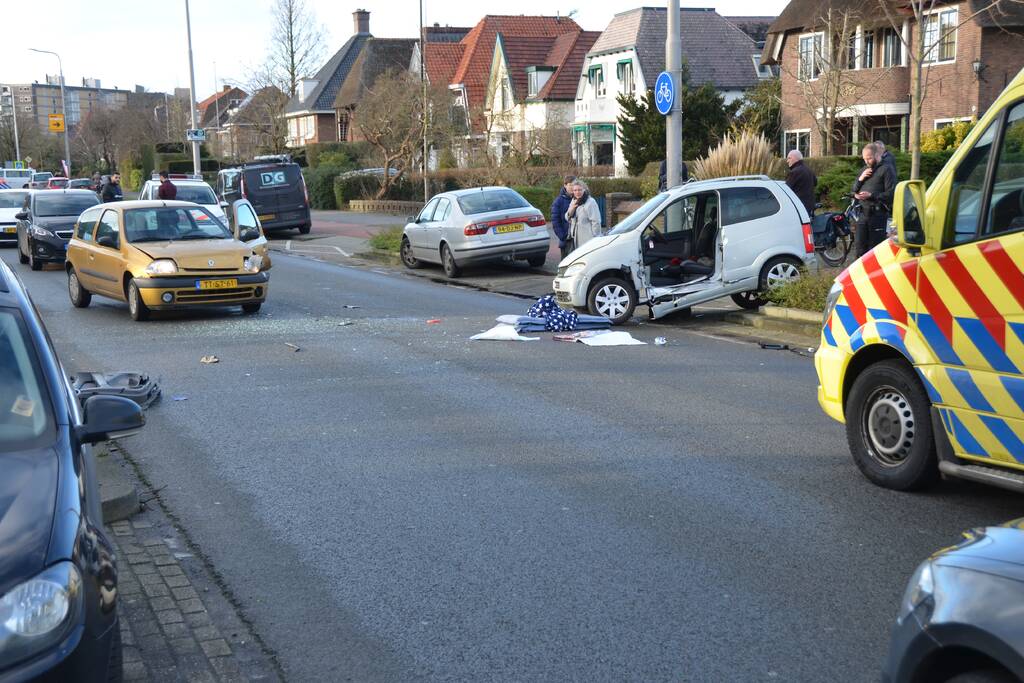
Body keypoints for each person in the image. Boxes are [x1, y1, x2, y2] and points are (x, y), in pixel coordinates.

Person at [852, 142, 895, 257]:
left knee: (874, 250)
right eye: (864, 159)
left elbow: (891, 194)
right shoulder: (864, 170)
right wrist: (860, 180)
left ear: (877, 155)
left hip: (877, 214)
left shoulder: (887, 169)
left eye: (869, 158)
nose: (867, 161)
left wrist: (871, 195)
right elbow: (854, 189)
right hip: (862, 214)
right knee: (860, 247)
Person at [565, 180, 602, 250]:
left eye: (579, 190)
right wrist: (571, 210)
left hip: (587, 239)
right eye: (575, 190)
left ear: (584, 190)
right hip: (575, 238)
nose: (577, 192)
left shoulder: (590, 202)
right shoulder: (574, 200)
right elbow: (567, 218)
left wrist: (595, 238)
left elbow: (596, 221)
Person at [550, 175, 576, 258]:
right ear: (565, 185)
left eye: (574, 185)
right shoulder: (558, 201)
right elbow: (555, 222)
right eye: (570, 185)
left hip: (579, 239)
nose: (572, 187)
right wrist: (563, 237)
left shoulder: (580, 199)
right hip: (566, 241)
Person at [784, 149, 817, 215]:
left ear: (795, 158)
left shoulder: (794, 172)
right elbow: (815, 183)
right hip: (810, 206)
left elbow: (786, 190)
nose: (787, 161)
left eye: (789, 158)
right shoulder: (809, 170)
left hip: (798, 208)